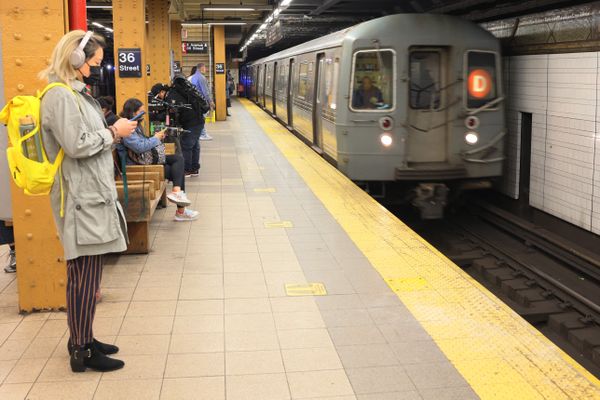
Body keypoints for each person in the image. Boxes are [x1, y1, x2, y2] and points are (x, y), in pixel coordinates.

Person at [39, 30, 138, 373]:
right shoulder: (61, 97)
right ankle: (81, 350)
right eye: (93, 63)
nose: (97, 69)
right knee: (84, 277)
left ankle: (84, 336)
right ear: (76, 59)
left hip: (89, 195)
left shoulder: (75, 95)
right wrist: (114, 133)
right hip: (80, 199)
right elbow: (77, 145)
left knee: (89, 276)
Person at [118, 98, 199, 222]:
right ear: (133, 112)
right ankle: (180, 210)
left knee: (177, 162)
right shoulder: (127, 128)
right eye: (141, 111)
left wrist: (155, 137)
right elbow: (139, 147)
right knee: (177, 168)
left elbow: (142, 144)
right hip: (135, 166)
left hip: (144, 160)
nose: (143, 114)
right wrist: (155, 138)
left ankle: (178, 196)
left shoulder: (135, 124)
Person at [167, 75, 206, 177]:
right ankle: (194, 169)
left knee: (187, 146)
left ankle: (187, 170)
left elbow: (174, 110)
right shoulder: (188, 90)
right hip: (199, 120)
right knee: (194, 145)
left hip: (191, 123)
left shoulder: (173, 93)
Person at [189, 63, 214, 141]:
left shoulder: (193, 77)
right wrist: (210, 101)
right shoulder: (201, 77)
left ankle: (201, 133)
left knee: (199, 118)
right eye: (205, 68)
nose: (206, 70)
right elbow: (205, 91)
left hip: (195, 101)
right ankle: (202, 134)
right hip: (201, 101)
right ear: (201, 68)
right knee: (202, 118)